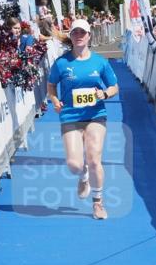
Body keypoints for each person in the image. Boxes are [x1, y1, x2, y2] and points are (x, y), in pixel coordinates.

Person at [46, 19, 119, 220]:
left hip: (96, 115)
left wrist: (105, 94)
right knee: (74, 165)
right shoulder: (62, 63)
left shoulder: (100, 62)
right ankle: (83, 175)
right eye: (75, 32)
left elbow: (114, 86)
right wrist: (54, 100)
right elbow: (51, 85)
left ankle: (98, 203)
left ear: (89, 36)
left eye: (83, 32)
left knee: (95, 158)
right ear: (71, 36)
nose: (79, 35)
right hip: (70, 116)